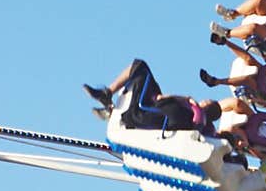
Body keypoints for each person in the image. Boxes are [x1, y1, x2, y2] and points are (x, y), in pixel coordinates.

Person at [82, 59, 250, 138]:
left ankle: (107, 94)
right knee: (144, 78)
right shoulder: (193, 123)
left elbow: (162, 99)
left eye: (206, 101)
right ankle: (110, 109)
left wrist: (185, 98)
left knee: (139, 66)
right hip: (147, 120)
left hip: (140, 113)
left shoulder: (188, 108)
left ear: (206, 105)